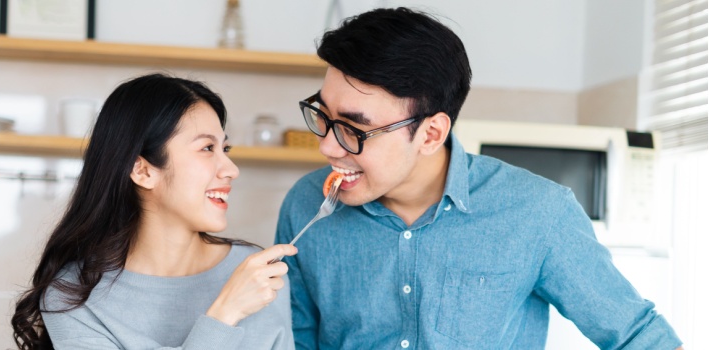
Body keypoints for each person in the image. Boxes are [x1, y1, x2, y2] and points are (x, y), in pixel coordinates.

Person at [275, 7, 683, 350]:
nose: (327, 147)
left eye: (353, 129)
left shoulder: (539, 212)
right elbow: (296, 341)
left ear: (431, 134)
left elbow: (639, 337)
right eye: (323, 116)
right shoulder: (305, 204)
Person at [12, 73, 297, 350]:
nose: (231, 170)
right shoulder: (73, 295)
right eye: (207, 148)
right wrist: (225, 313)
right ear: (143, 171)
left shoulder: (259, 276)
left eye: (226, 148)